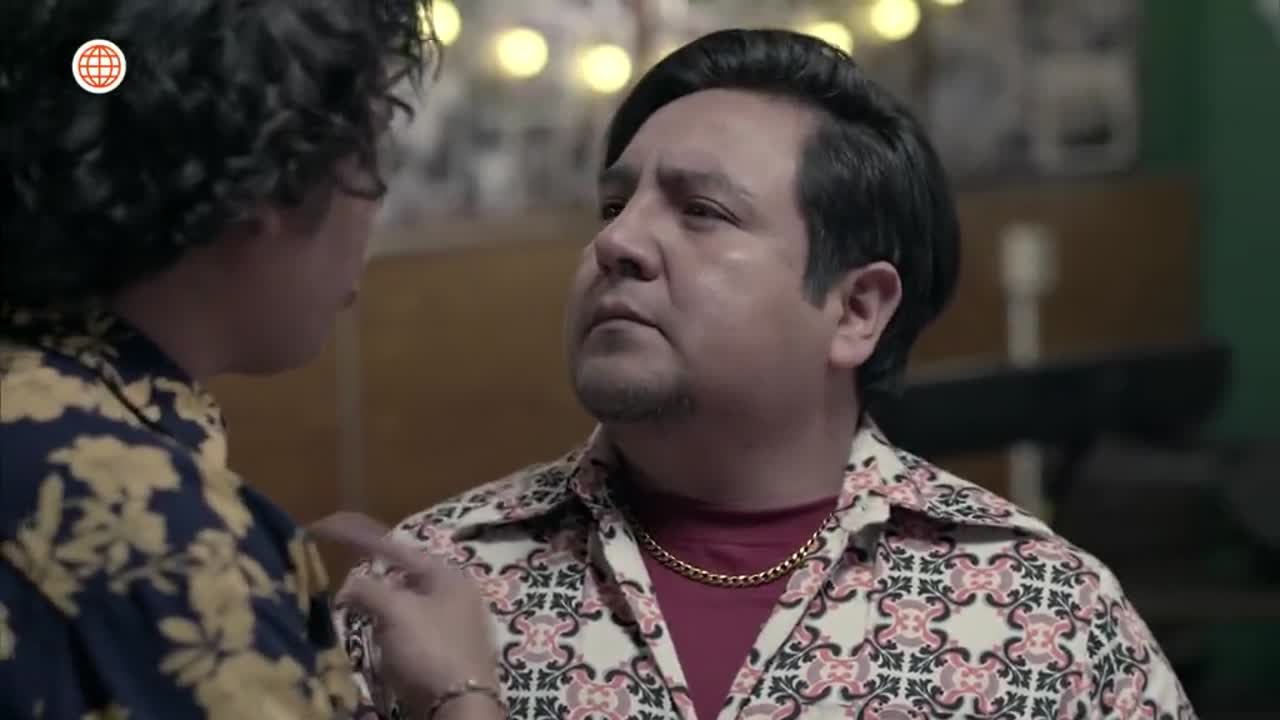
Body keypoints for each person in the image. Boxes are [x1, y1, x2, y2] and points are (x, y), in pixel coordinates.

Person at [337, 28, 1197, 720]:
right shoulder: (428, 589)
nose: (616, 242)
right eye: (613, 205)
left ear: (855, 310)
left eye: (702, 211)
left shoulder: (1041, 611)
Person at [0, 2, 501, 718]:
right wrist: (463, 693)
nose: (375, 203)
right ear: (266, 185)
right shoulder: (165, 535)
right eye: (369, 153)